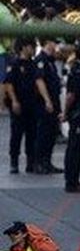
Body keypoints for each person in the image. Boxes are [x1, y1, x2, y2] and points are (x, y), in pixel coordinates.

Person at [3, 38, 39, 174]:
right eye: (31, 46)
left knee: (31, 134)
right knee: (17, 134)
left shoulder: (33, 64)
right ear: (24, 47)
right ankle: (14, 162)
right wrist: (14, 101)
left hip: (31, 103)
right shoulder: (15, 64)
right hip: (19, 103)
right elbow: (9, 83)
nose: (33, 49)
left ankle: (30, 162)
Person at [63, 41, 80, 192]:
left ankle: (72, 179)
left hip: (76, 111)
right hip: (77, 112)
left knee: (74, 147)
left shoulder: (75, 69)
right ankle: (72, 181)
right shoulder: (79, 72)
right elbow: (71, 95)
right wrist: (66, 112)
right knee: (75, 147)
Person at [32, 36, 61, 174]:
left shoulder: (50, 60)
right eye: (54, 42)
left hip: (53, 101)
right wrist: (47, 100)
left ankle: (47, 162)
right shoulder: (41, 60)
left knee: (51, 133)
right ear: (47, 42)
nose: (55, 45)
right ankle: (38, 163)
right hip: (44, 103)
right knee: (42, 134)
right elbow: (39, 81)